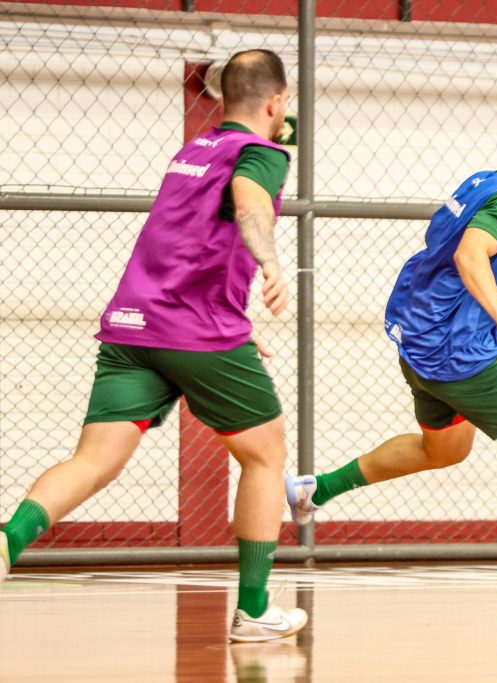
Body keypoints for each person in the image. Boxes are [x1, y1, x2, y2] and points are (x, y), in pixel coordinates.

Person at [0, 49, 307, 642]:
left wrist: (235, 317)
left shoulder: (193, 151)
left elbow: (185, 245)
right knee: (265, 457)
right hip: (196, 332)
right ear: (276, 103)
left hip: (133, 324)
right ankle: (253, 611)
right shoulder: (262, 153)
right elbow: (249, 203)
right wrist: (270, 263)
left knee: (94, 460)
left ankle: (7, 541)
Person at [287, 99, 497, 620]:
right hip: (460, 355)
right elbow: (470, 254)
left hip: (420, 345)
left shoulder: (481, 182)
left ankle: (315, 489)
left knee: (444, 448)